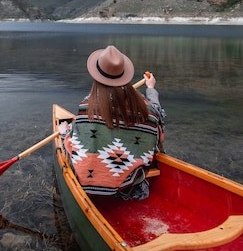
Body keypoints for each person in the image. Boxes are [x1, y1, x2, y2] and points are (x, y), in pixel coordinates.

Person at [60, 45, 165, 200]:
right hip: (130, 186)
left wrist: (64, 133)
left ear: (97, 77)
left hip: (89, 186)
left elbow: (75, 147)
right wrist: (150, 89)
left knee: (67, 136)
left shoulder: (87, 107)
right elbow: (158, 123)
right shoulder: (147, 111)